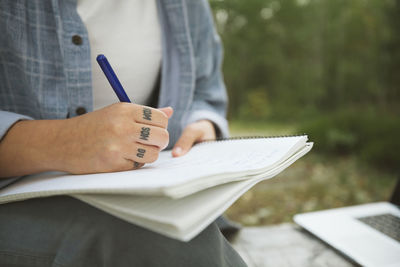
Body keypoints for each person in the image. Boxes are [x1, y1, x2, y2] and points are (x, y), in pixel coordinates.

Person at [0, 0, 247, 266]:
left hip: (152, 190)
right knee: (160, 240)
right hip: (18, 201)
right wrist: (64, 141)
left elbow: (204, 91)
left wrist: (202, 124)